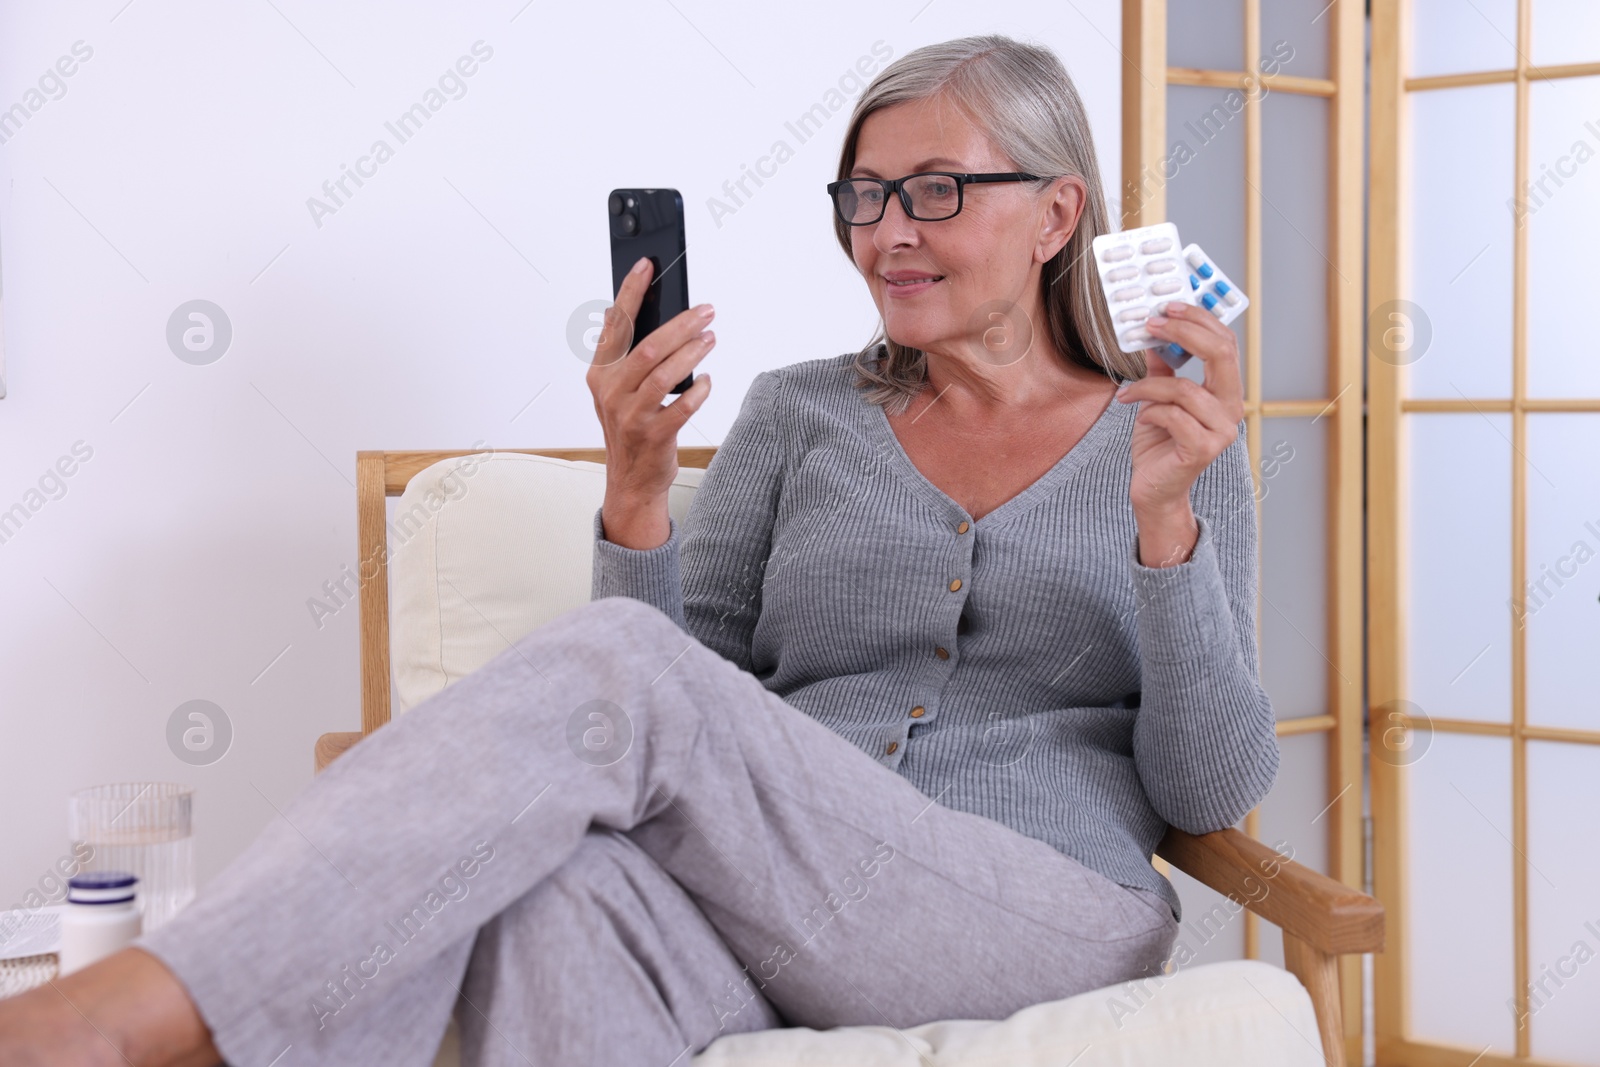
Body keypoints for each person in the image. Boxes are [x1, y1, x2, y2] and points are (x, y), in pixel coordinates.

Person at [0, 32, 1277, 1067]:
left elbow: (1209, 788)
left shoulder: (1172, 433)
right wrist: (637, 492)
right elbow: (670, 696)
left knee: (610, 662)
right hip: (790, 896)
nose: (887, 230)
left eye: (934, 190)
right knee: (559, 898)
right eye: (863, 195)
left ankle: (131, 1018)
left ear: (1057, 212)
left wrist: (1166, 522)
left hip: (1037, 907)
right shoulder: (800, 411)